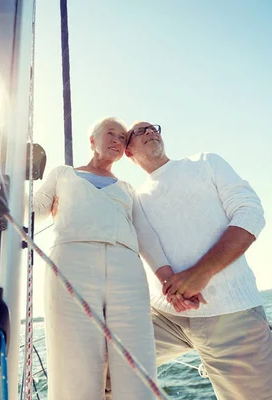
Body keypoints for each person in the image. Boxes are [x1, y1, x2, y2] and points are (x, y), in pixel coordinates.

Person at [124, 121, 272, 399]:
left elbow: (250, 213)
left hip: (231, 314)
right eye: (139, 131)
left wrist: (202, 272)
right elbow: (147, 246)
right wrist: (172, 287)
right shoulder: (135, 197)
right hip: (166, 317)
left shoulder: (205, 162)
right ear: (128, 151)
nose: (151, 132)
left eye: (154, 128)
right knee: (103, 368)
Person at [33, 117, 172, 400]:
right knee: (75, 367)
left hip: (127, 271)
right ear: (92, 141)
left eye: (122, 138)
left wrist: (170, 281)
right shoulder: (63, 174)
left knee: (137, 361)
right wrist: (1, 190)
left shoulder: (127, 189)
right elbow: (35, 209)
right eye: (111, 134)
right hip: (72, 265)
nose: (117, 141)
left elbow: (146, 237)